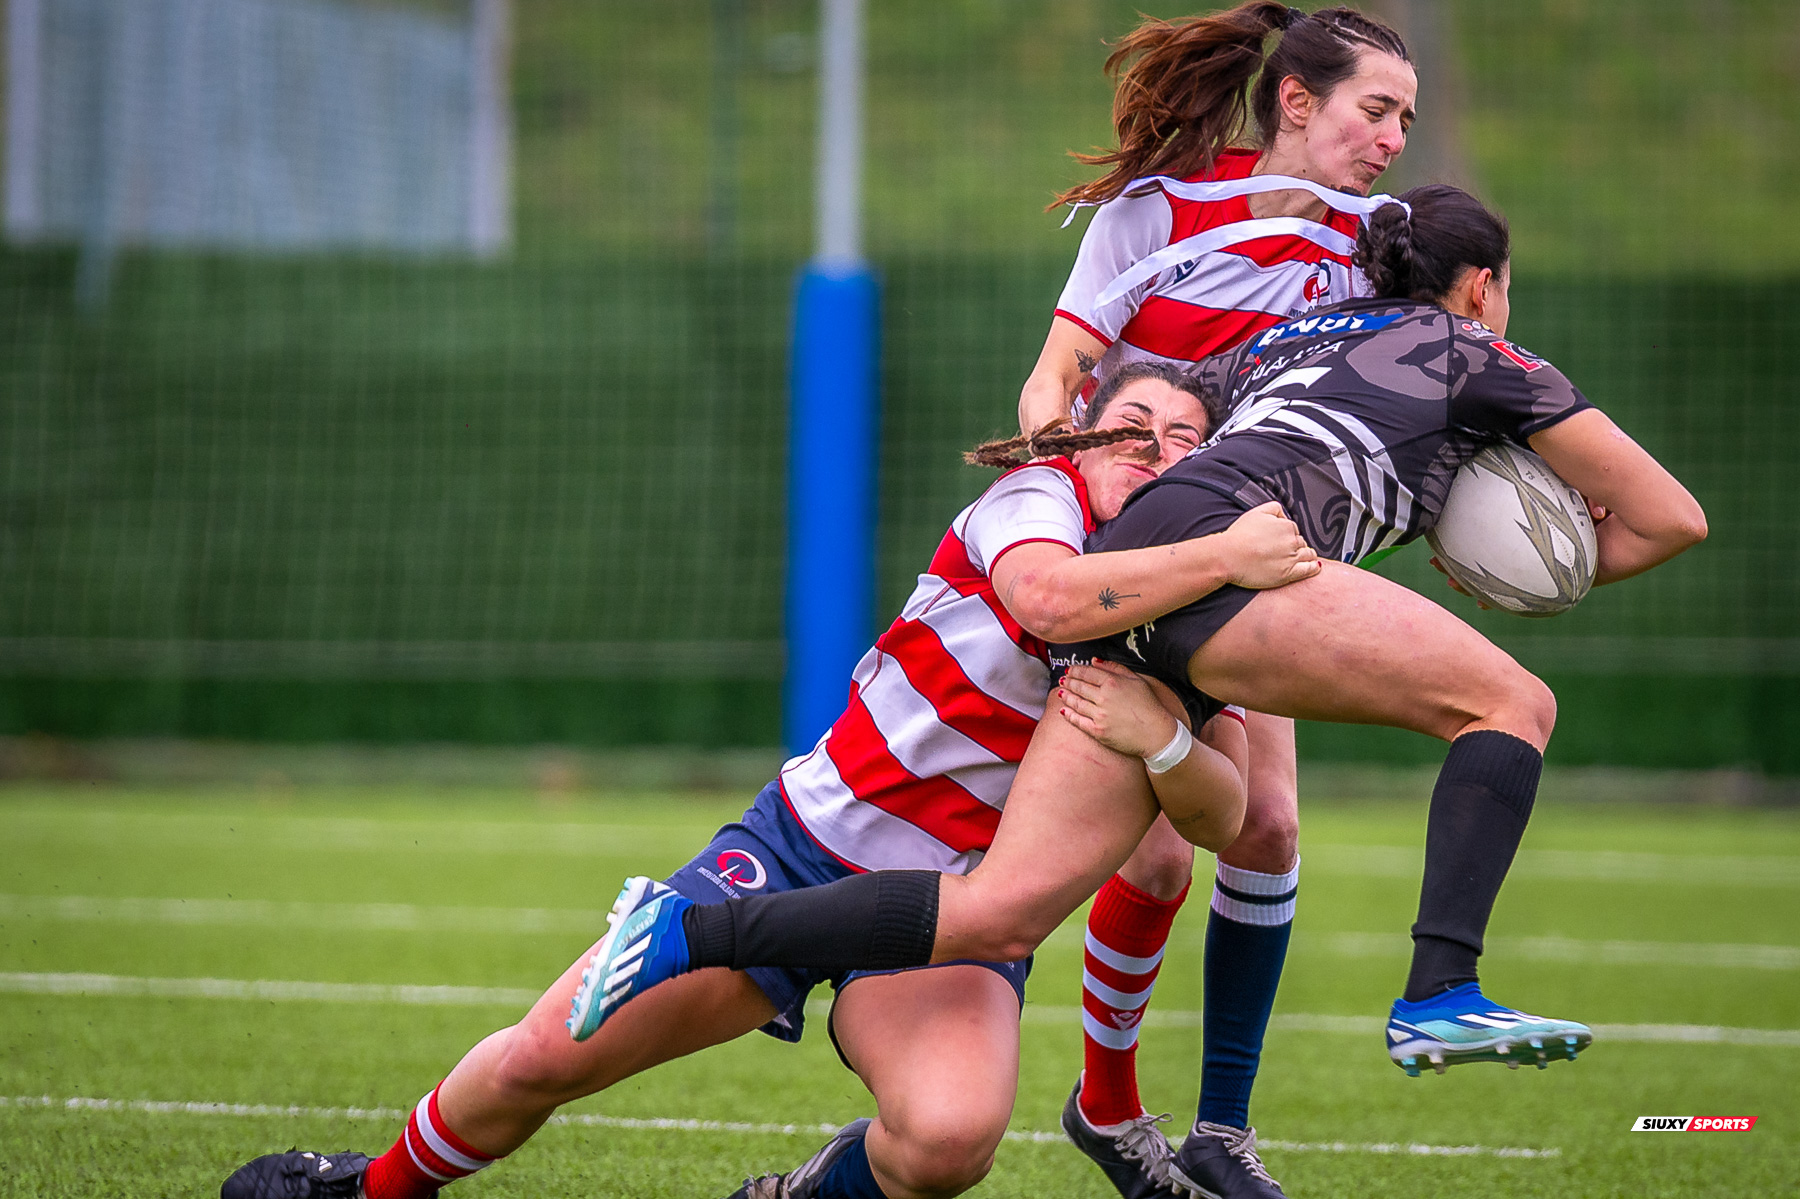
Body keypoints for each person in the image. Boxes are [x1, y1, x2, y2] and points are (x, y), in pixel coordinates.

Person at [573, 185, 1709, 1199]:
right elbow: (1670, 520)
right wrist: (1532, 572)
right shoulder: (1486, 358)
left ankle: (683, 929)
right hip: (1225, 566)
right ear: (1479, 286)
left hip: (1142, 570)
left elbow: (1169, 420)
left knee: (1002, 909)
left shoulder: (1294, 336)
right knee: (1511, 704)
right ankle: (1439, 989)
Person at [217, 366, 1321, 1199]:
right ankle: (367, 1186)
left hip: (954, 922)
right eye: (1133, 425)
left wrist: (1164, 740)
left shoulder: (1194, 620)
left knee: (947, 1141)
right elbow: (1047, 601)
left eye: (1187, 440)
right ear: (1079, 433)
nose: (1156, 447)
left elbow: (1229, 814)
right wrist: (1228, 555)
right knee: (545, 1056)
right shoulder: (1036, 500)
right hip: (804, 853)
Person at [1018, 6, 1416, 1195]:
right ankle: (1107, 1100)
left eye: (1406, 117)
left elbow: (1419, 378)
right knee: (1149, 864)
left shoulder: (1377, 240)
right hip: (1137, 564)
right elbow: (1058, 374)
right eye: (1375, 109)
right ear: (1298, 102)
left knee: (1269, 828)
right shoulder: (1157, 212)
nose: (1395, 137)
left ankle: (1222, 1131)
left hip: (1254, 560)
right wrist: (1066, 483)